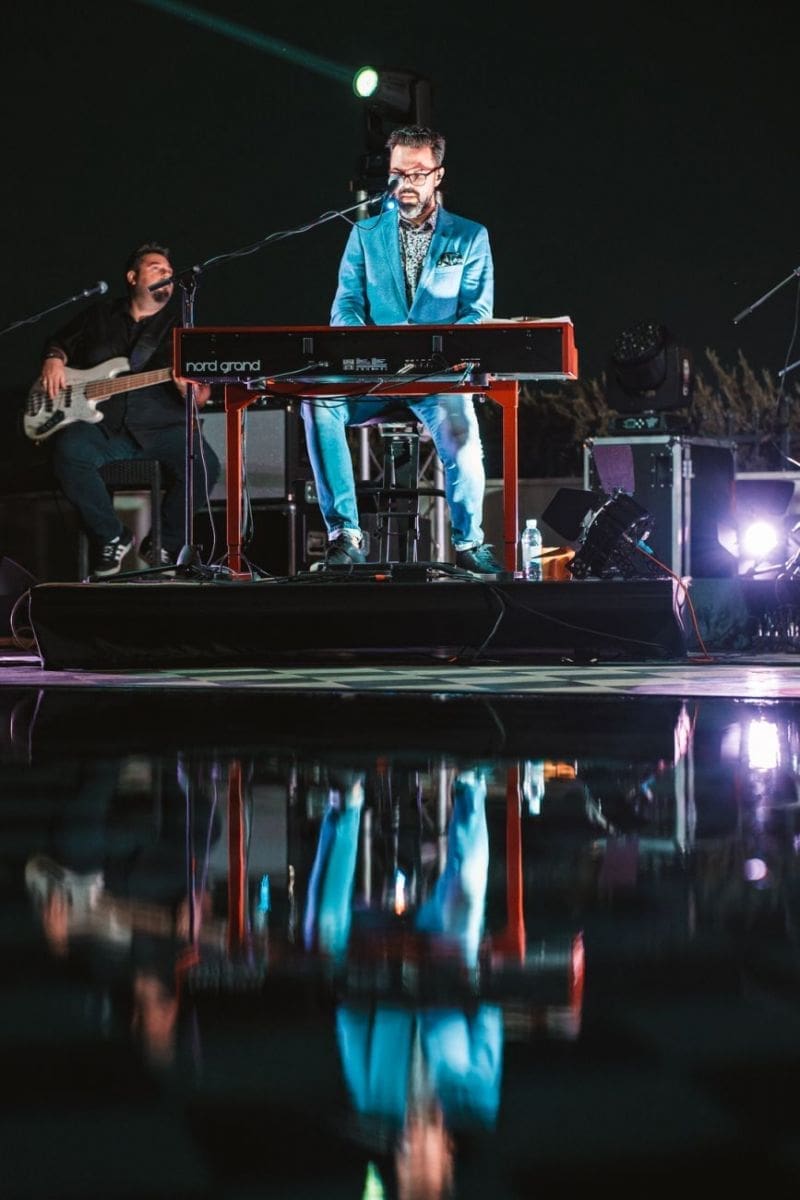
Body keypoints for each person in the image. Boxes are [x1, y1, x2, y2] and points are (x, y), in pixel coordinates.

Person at [302, 125, 503, 574]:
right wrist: (365, 346)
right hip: (375, 374)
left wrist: (441, 354)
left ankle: (469, 541)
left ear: (438, 175)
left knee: (463, 437)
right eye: (397, 173)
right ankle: (345, 535)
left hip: (437, 377)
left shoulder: (469, 236)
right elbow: (345, 306)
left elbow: (477, 312)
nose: (405, 183)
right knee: (317, 402)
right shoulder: (365, 232)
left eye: (417, 173)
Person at [39, 242, 221, 576]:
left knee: (205, 466)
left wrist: (189, 390)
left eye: (169, 271)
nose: (166, 274)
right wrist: (54, 359)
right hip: (105, 427)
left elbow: (201, 395)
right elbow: (60, 341)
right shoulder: (99, 315)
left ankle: (163, 544)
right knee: (67, 452)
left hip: (164, 428)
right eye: (156, 267)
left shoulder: (182, 328)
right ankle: (111, 535)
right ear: (132, 277)